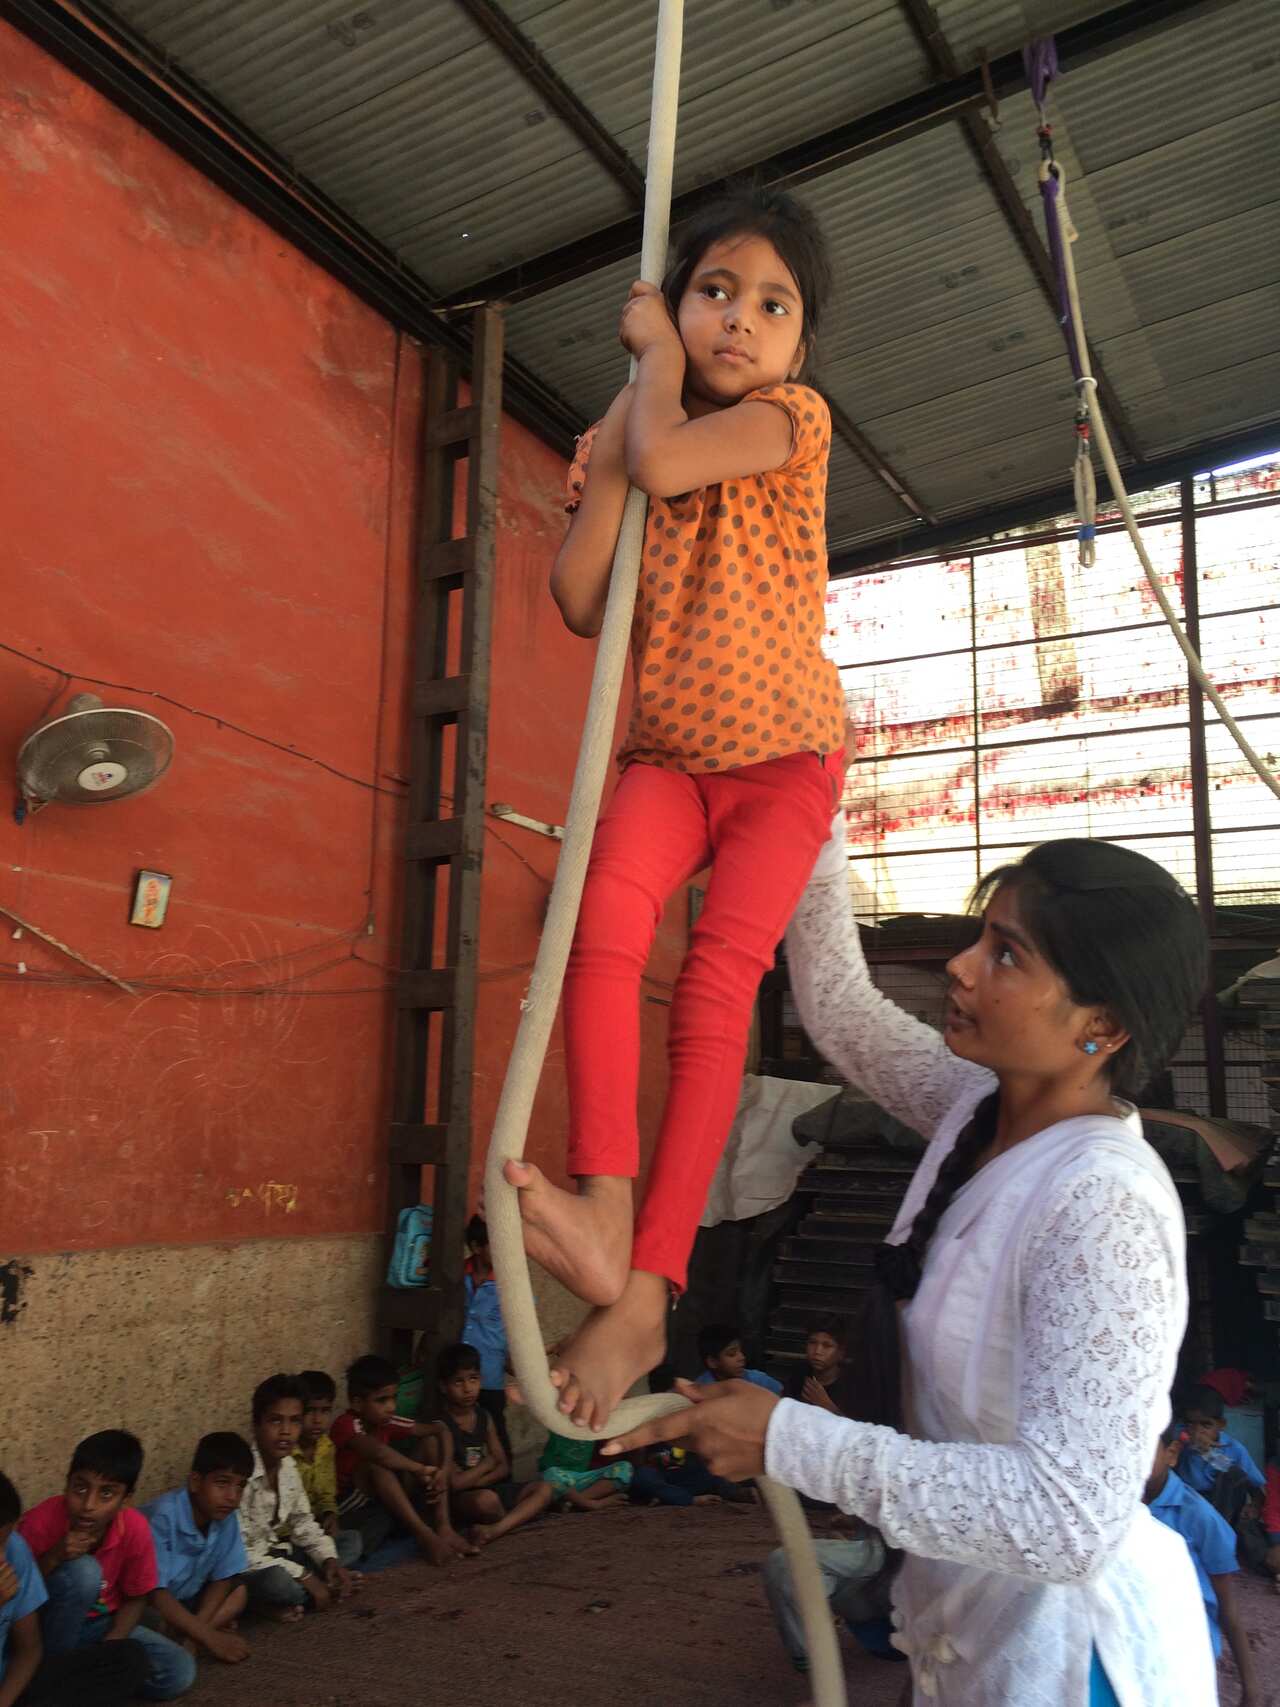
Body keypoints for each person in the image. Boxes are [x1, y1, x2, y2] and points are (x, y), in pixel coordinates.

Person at [606, 817, 1219, 1704]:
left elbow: (1066, 1519)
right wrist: (815, 806)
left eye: (1006, 954)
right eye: (981, 937)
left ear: (1102, 1024)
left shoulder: (1102, 1203)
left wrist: (792, 1440)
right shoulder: (978, 1104)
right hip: (962, 1628)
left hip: (1066, 1661)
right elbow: (841, 1011)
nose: (960, 966)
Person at [503, 184, 845, 1429]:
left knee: (712, 993)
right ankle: (607, 1205)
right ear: (674, 300)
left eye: (772, 305)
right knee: (596, 931)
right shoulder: (630, 423)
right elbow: (580, 596)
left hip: (784, 757)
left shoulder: (788, 420)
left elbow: (665, 457)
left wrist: (651, 368)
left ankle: (648, 1287)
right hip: (667, 757)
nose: (738, 321)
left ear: (799, 344)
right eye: (713, 292)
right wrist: (618, 421)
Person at [17, 1430, 195, 1700]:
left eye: (106, 1493)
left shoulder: (134, 1528)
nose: (88, 1505)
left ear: (126, 1500)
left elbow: (136, 1598)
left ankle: (71, 1683)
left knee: (178, 1672)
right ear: (66, 1484)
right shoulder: (39, 1523)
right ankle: (53, 1680)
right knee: (84, 1572)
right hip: (46, 1630)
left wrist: (114, 1643)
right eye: (80, 1488)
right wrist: (53, 1557)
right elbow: (15, 1599)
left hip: (97, 1626)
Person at [1, 1468, 148, 1707]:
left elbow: (29, 1652)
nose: (2, 1557)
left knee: (129, 1658)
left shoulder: (14, 1550)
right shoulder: (41, 1521)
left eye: (3, 1542)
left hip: (8, 1681)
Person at [1145, 1425, 1261, 1705]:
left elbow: (1227, 1607)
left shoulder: (1201, 1519)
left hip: (1186, 1645)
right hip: (1138, 1631)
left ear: (1172, 1453)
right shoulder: (1116, 1507)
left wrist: (1250, 1688)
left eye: (1143, 1450)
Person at [331, 1354, 472, 1565]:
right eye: (382, 1400)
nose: (391, 1407)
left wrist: (442, 1471)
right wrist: (419, 1469)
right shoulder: (346, 1424)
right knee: (377, 1467)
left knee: (430, 1443)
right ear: (358, 1403)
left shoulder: (387, 1421)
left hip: (381, 1499)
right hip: (349, 1506)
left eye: (393, 1398)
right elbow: (379, 1453)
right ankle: (426, 1536)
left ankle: (444, 1527)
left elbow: (440, 1429)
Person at [239, 1375, 359, 1621]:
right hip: (253, 1565)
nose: (286, 1431)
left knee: (351, 1542)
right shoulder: (242, 1475)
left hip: (283, 1554)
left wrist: (328, 1561)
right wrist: (304, 1575)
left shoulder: (288, 1468)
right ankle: (281, 1599)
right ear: (256, 1424)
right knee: (277, 1583)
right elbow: (241, 1554)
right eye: (275, 1420)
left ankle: (318, 1586)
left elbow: (303, 1523)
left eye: (294, 1421)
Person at [140, 1433, 251, 1666]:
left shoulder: (225, 1516)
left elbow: (223, 1577)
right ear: (195, 1482)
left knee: (238, 1592)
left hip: (189, 1600)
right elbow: (156, 1592)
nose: (232, 1497)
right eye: (222, 1483)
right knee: (150, 1620)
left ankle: (189, 1636)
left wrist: (198, 1633)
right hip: (154, 1601)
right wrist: (210, 1638)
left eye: (240, 1486)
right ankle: (196, 1632)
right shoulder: (163, 1515)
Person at [762, 1521, 896, 1680]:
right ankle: (816, 1666)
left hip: (900, 1623)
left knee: (787, 1561)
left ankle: (816, 1665)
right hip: (881, 1632)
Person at [435, 1344, 510, 1531]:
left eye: (473, 1379)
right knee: (486, 1501)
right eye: (458, 1382)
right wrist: (487, 1463)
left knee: (543, 1489)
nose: (468, 1388)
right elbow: (455, 1484)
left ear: (481, 1380)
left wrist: (477, 1481)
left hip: (483, 1486)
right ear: (443, 1386)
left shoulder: (484, 1417)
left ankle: (502, 1523)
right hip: (459, 1500)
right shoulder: (440, 1425)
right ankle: (507, 1523)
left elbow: (503, 1466)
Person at [462, 1216, 514, 1470]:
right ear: (476, 1247)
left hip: (490, 1375)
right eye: (497, 1244)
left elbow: (519, 1327)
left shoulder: (510, 1283)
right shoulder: (456, 1274)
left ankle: (505, 1480)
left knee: (496, 1430)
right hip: (458, 1373)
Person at [1177, 1385, 1265, 1515]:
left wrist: (1254, 1508)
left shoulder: (1233, 1449)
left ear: (1221, 1425)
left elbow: (1255, 1486)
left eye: (1206, 1425)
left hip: (1221, 1509)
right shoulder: (1180, 1443)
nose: (1197, 1432)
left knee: (1232, 1473)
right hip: (1186, 1505)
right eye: (1190, 1424)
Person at [779, 1315, 858, 1416]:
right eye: (812, 1343)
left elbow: (856, 1424)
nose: (817, 1351)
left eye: (827, 1345)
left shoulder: (851, 1384)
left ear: (841, 1352)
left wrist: (828, 1406)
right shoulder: (800, 1372)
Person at [293, 1372, 341, 1538]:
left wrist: (330, 1515)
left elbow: (327, 1495)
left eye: (325, 1411)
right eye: (310, 1411)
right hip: (292, 1529)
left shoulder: (326, 1447)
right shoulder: (286, 1453)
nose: (317, 1420)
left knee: (355, 1537)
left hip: (317, 1522)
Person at [695, 1324, 782, 1394]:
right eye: (732, 1354)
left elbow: (780, 1395)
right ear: (712, 1362)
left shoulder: (758, 1380)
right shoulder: (701, 1389)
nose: (742, 1358)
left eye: (741, 1351)